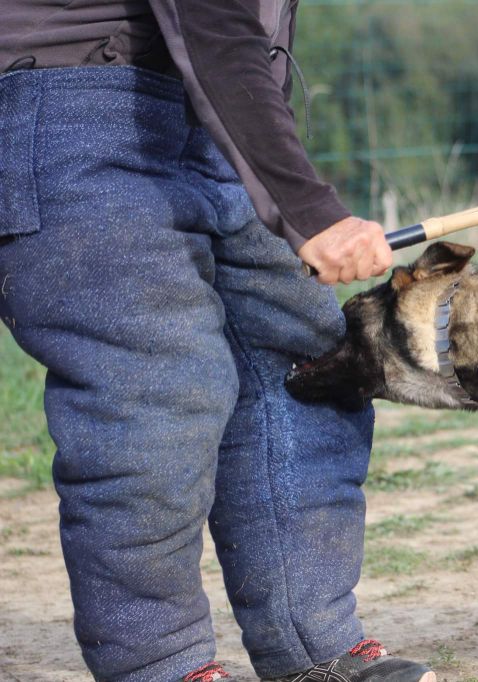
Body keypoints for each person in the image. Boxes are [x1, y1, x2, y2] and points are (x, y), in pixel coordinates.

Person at [0, 3, 434, 681]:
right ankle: (159, 663)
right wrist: (309, 211)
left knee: (307, 359)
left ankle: (312, 645)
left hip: (215, 107)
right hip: (68, 104)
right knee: (151, 390)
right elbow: (212, 18)